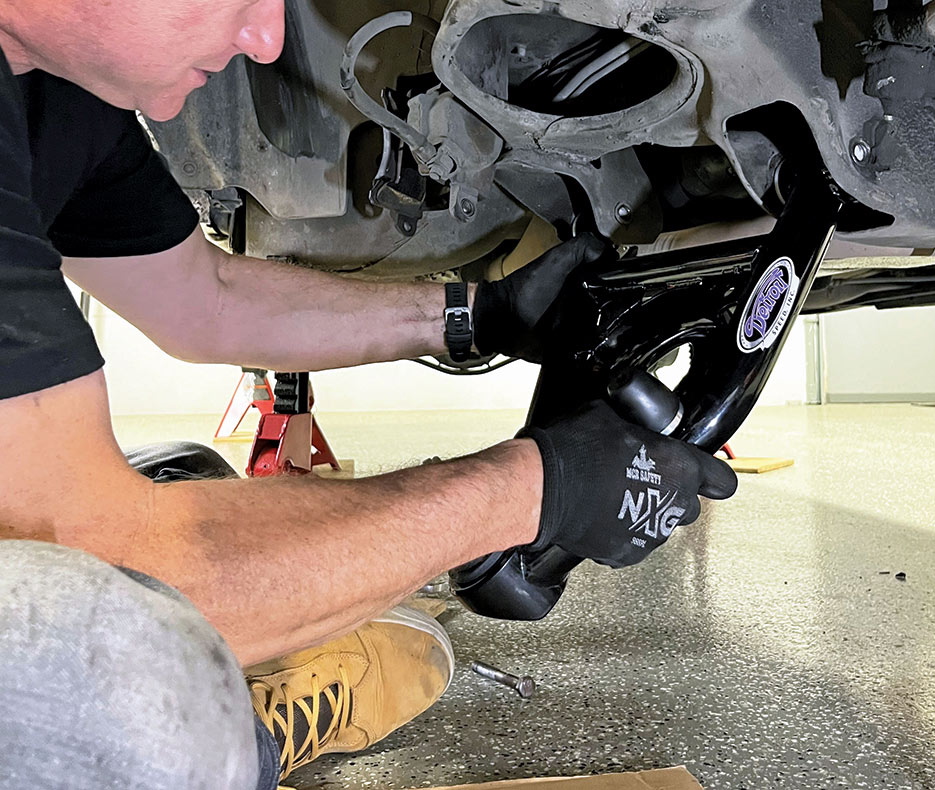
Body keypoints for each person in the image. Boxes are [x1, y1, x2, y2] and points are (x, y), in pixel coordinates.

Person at [0, 1, 738, 788]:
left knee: (179, 476)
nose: (269, 37)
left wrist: (475, 316)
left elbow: (201, 295)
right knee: (126, 710)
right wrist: (530, 490)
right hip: (86, 626)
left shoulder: (56, 92)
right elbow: (108, 580)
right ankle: (250, 735)